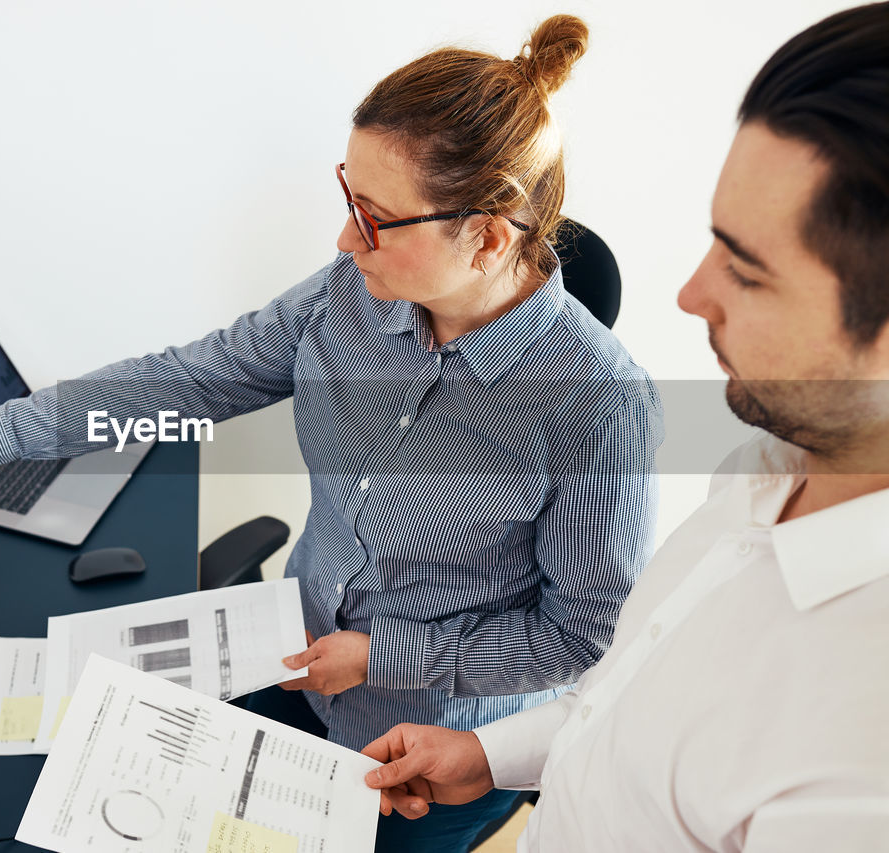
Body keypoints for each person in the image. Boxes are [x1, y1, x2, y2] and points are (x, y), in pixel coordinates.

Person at [0, 14, 662, 850]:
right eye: (349, 197)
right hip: (292, 655)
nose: (346, 239)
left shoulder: (599, 409)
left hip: (428, 747)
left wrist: (385, 654)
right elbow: (192, 380)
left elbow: (581, 636)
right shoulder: (352, 293)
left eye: (376, 217)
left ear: (488, 235)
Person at [362, 4, 889, 850]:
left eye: (746, 272)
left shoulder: (860, 759)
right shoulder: (766, 466)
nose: (690, 294)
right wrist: (489, 753)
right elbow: (627, 691)